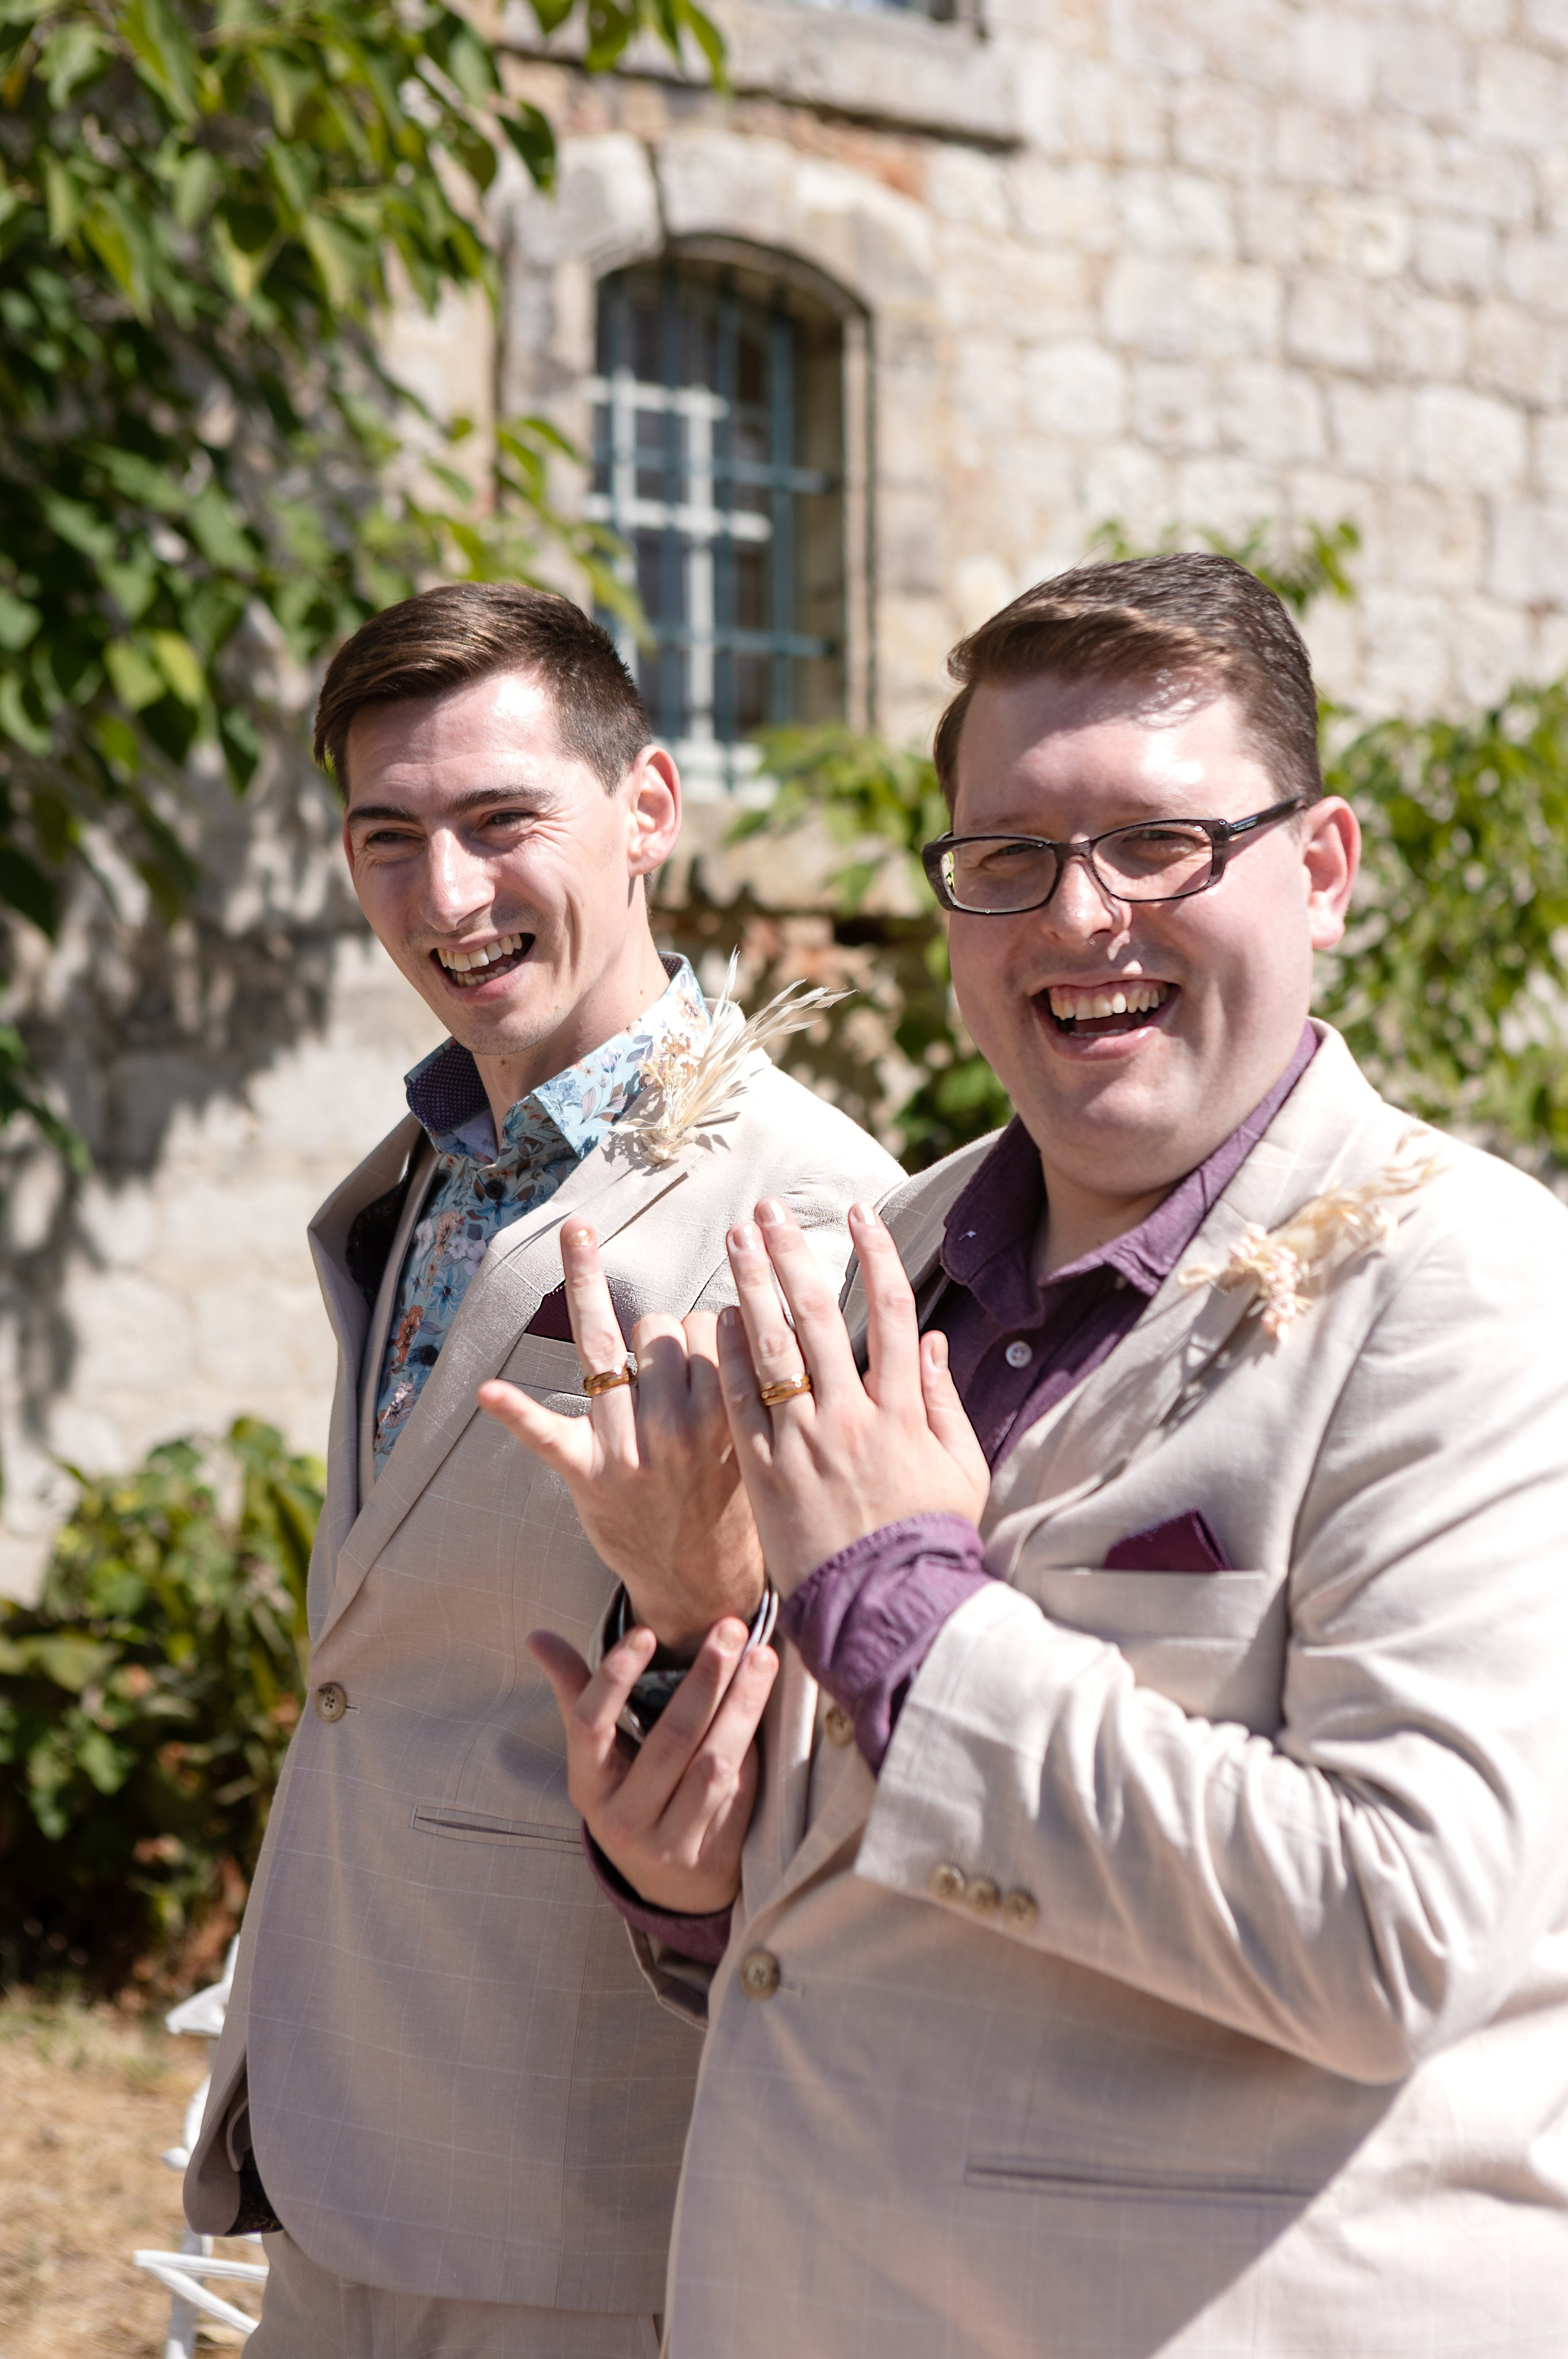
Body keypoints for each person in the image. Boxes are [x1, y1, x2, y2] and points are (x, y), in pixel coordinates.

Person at [506, 556, 1568, 2357]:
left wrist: (906, 1609)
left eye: (1159, 845)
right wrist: (691, 1848)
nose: (1080, 920)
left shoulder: (1471, 1288)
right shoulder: (886, 1262)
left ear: (1320, 876)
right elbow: (854, 1893)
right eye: (1006, 859)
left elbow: (1392, 1932)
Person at [181, 582, 900, 2357]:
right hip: (343, 2138)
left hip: (581, 2196)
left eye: (504, 821)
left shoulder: (801, 1205)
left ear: (648, 807)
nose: (446, 897)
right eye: (389, 837)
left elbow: (843, 1723)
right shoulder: (434, 1163)